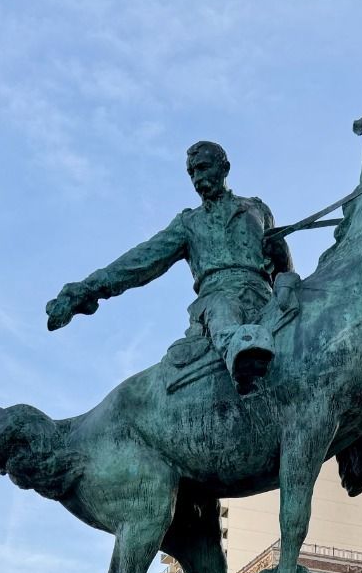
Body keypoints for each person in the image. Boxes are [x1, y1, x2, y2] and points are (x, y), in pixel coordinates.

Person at [45, 140, 294, 394]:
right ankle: (242, 362)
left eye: (203, 168)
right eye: (192, 173)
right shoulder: (188, 222)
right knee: (223, 307)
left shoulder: (257, 209)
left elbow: (281, 263)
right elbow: (140, 261)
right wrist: (86, 290)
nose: (197, 178)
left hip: (263, 296)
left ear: (225, 168)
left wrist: (284, 267)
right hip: (216, 298)